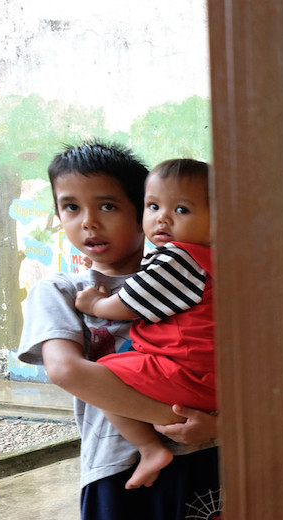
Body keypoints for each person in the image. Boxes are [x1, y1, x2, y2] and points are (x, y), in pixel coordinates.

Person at [17, 141, 231, 520]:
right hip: (115, 461)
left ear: (146, 209)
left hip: (205, 452)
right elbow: (66, 368)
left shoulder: (195, 280)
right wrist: (176, 422)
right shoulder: (62, 291)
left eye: (108, 206)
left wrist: (218, 429)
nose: (88, 222)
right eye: (70, 207)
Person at [74, 158, 215, 489]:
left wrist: (95, 303)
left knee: (102, 378)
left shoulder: (180, 258)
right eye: (153, 206)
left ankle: (150, 449)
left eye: (181, 210)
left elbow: (130, 303)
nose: (162, 218)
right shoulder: (217, 261)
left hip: (184, 371)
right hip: (209, 377)